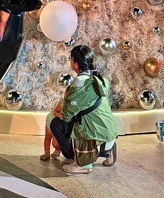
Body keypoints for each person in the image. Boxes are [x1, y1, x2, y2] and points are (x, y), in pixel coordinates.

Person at [49, 44, 118, 175]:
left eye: (71, 58)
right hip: (109, 132)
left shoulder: (79, 83)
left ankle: (83, 163)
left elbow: (67, 114)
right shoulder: (100, 78)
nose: (70, 61)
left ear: (76, 63)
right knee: (82, 120)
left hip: (94, 134)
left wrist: (58, 112)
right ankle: (107, 150)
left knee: (56, 124)